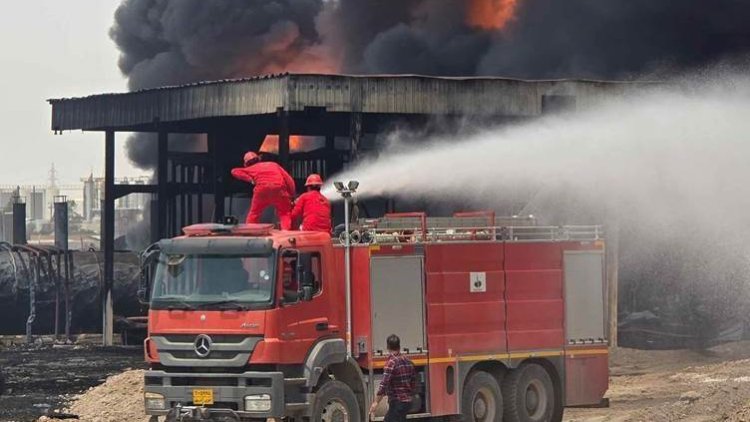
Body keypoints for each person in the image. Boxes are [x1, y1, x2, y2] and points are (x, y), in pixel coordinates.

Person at [230, 151, 296, 230]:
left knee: (254, 213)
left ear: (246, 164)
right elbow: (289, 180)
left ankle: (250, 231)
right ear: (258, 159)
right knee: (284, 213)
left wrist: (250, 179)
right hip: (279, 189)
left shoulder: (250, 169)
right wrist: (291, 195)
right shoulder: (273, 165)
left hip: (261, 190)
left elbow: (234, 171)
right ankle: (286, 232)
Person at [369, 334, 416, 422]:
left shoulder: (391, 363)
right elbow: (413, 383)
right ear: (399, 346)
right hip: (407, 402)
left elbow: (384, 384)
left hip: (397, 402)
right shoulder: (409, 362)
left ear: (388, 346)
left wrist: (376, 402)